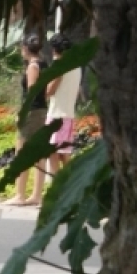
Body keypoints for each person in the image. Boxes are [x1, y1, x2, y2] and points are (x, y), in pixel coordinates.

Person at [6, 35, 50, 206]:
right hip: (41, 110)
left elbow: (31, 93)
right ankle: (36, 194)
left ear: (25, 48)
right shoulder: (44, 64)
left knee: (22, 152)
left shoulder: (33, 66)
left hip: (32, 112)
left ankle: (20, 195)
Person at [45, 35, 82, 174]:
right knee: (65, 154)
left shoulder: (60, 67)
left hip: (56, 115)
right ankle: (69, 186)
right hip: (69, 115)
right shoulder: (77, 67)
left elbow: (49, 90)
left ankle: (57, 186)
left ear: (55, 50)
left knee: (53, 154)